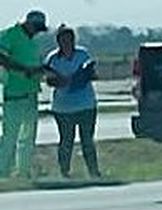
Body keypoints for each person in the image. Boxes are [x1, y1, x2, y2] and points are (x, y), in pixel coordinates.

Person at [44, 25, 101, 179]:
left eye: (69, 39)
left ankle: (93, 172)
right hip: (63, 108)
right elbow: (49, 80)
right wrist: (61, 81)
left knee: (87, 141)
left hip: (86, 105)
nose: (67, 43)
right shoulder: (52, 59)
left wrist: (81, 77)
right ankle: (64, 172)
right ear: (58, 41)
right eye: (63, 39)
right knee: (66, 141)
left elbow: (92, 73)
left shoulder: (83, 54)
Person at [0, 10, 50, 179]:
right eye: (35, 27)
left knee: (28, 137)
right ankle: (3, 172)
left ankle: (23, 172)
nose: (37, 31)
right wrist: (22, 69)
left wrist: (39, 70)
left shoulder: (32, 42)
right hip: (14, 93)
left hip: (31, 92)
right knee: (10, 137)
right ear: (28, 23)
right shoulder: (10, 34)